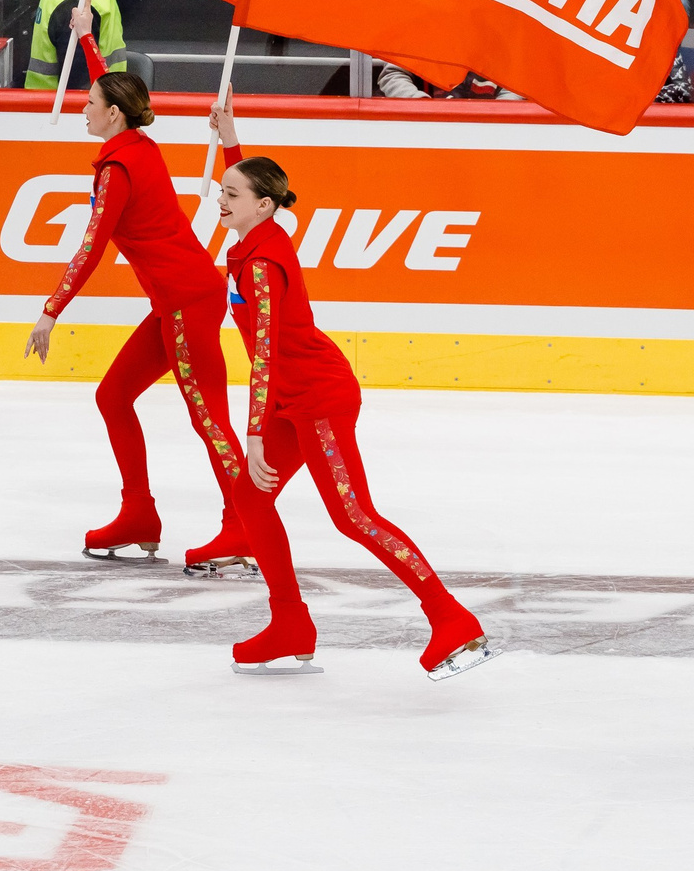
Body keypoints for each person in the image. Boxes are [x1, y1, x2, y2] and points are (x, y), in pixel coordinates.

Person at [198, 109, 495, 678]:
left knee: (353, 514)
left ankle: (451, 617)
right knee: (251, 499)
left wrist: (253, 433)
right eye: (223, 191)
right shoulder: (261, 229)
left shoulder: (260, 262)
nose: (221, 198)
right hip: (290, 394)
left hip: (316, 395)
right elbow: (256, 186)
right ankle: (290, 623)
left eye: (230, 194)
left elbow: (263, 356)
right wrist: (232, 139)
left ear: (261, 206)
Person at [24, 60, 251, 577]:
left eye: (90, 104)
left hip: (185, 300)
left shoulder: (119, 168)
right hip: (178, 299)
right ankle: (139, 515)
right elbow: (114, 85)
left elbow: (92, 246)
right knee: (113, 395)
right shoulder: (136, 145)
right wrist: (84, 35)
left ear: (115, 115)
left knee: (208, 417)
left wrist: (50, 311)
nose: (84, 108)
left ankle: (244, 523)